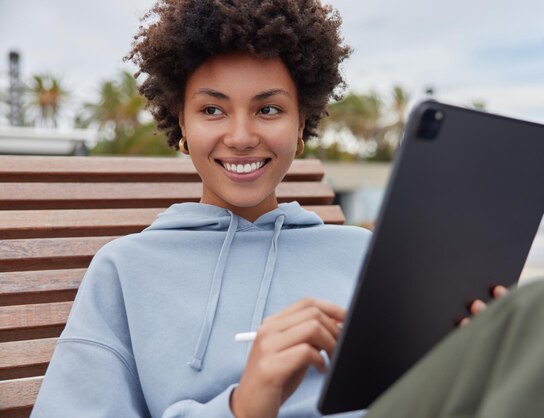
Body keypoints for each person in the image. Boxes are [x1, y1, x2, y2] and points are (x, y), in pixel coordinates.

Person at [32, 0, 369, 417]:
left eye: (268, 109)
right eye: (212, 110)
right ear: (183, 127)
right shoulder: (124, 270)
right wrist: (240, 408)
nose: (241, 137)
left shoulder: (364, 254)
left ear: (300, 124)